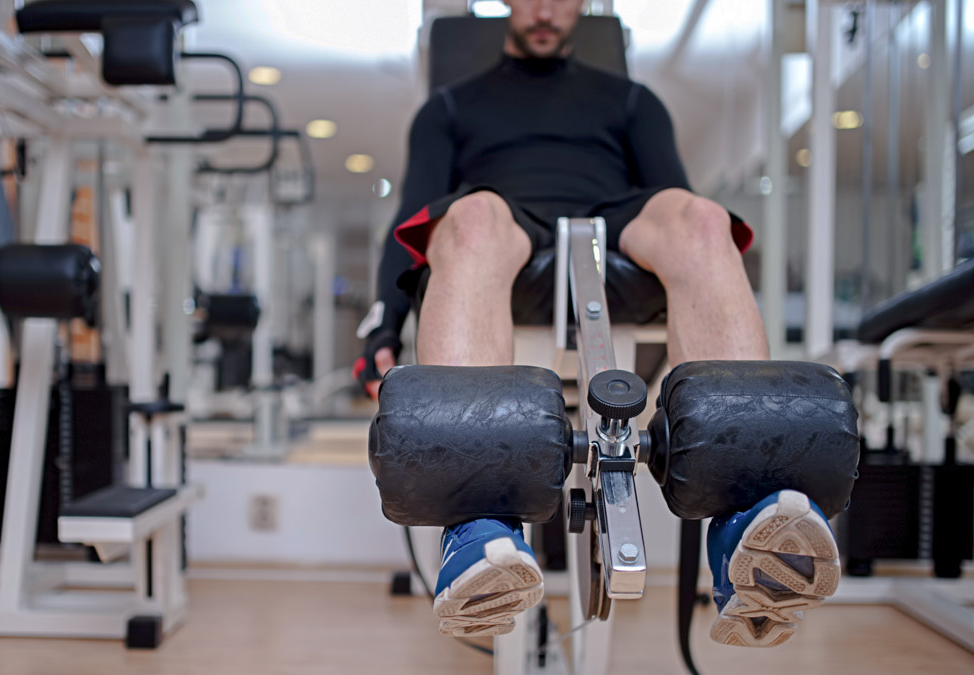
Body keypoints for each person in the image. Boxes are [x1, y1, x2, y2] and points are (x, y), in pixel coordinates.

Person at [355, 0, 840, 647]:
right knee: (468, 217)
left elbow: (675, 203)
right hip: (504, 235)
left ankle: (740, 527)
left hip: (615, 234)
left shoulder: (633, 102)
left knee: (700, 219)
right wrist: (382, 322)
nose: (547, 11)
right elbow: (407, 221)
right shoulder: (448, 107)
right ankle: (476, 532)